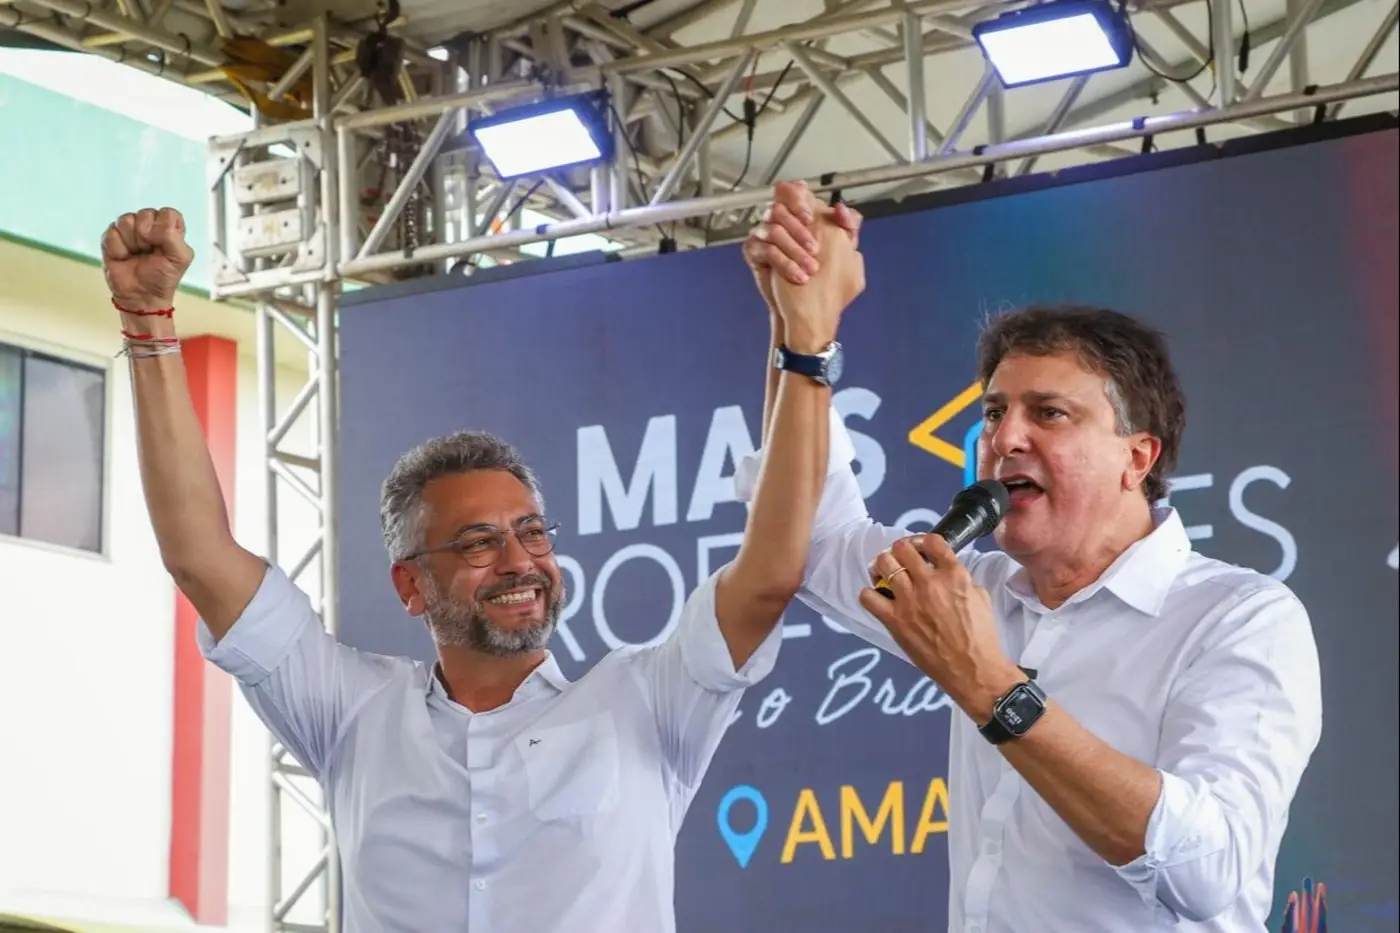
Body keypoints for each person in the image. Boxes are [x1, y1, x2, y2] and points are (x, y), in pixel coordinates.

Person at [101, 204, 863, 932]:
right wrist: (147, 322)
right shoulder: (354, 714)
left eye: (531, 532)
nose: (519, 562)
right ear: (410, 584)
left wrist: (802, 339)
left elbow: (771, 569)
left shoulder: (644, 701)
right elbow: (198, 556)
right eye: (477, 543)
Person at [739, 181, 1323, 932]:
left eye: (1049, 412)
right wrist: (800, 331)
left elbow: (1207, 870)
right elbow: (809, 534)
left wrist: (988, 684)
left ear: (1137, 457)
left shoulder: (1239, 618)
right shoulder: (971, 589)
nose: (1004, 438)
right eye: (994, 412)